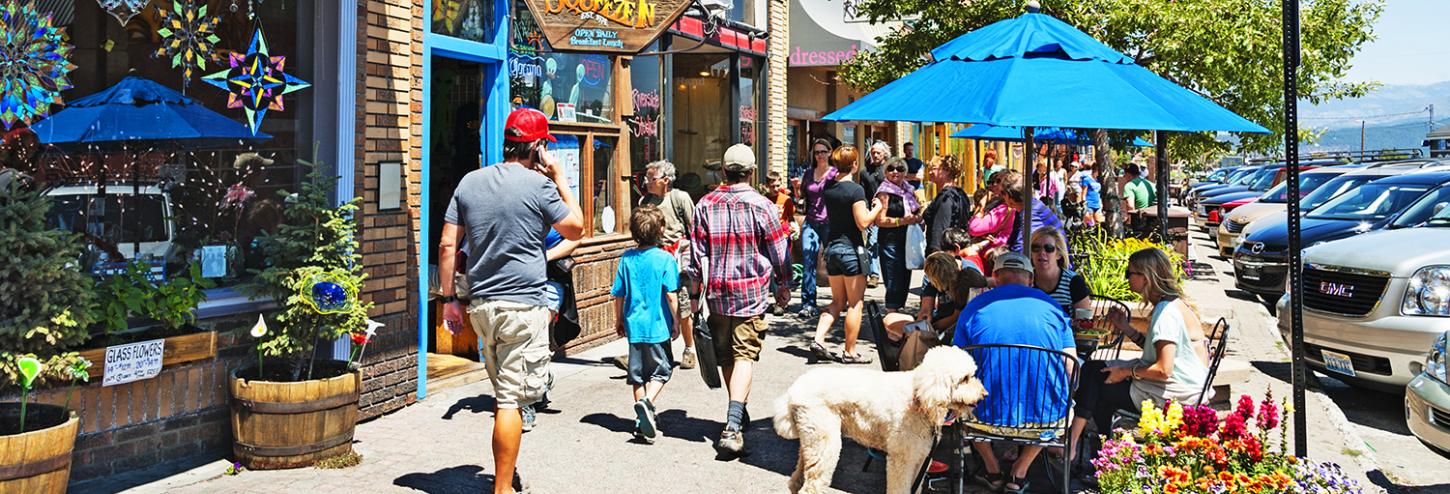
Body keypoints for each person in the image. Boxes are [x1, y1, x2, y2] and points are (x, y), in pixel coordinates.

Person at [438, 108, 584, 494]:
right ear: (536, 147)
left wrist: (449, 299)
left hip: (482, 307)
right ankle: (502, 488)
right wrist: (561, 178)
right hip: (523, 306)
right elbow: (576, 226)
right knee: (509, 402)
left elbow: (447, 244)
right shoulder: (539, 187)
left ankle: (507, 472)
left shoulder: (469, 182)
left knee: (506, 395)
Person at [684, 143, 791, 456]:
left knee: (728, 357)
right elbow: (779, 249)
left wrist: (694, 295)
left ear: (723, 171)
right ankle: (732, 426)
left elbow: (695, 257)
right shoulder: (762, 205)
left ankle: (736, 411)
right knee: (744, 355)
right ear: (752, 172)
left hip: (716, 294)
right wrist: (784, 284)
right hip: (751, 293)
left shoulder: (705, 204)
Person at [1067, 248, 1211, 463]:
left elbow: (1164, 369)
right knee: (1095, 373)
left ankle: (1080, 446)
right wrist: (1126, 328)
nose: (1126, 278)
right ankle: (1101, 453)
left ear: (1146, 277)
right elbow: (1157, 350)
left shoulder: (1165, 313)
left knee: (1095, 380)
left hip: (1175, 394)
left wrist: (1126, 372)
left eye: (1129, 273)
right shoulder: (1172, 303)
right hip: (1183, 386)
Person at [953, 253, 1077, 494]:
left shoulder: (976, 306)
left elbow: (957, 362)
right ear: (1030, 279)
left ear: (996, 278)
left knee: (961, 402)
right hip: (1045, 419)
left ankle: (991, 468)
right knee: (1061, 401)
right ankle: (1019, 472)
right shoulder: (1053, 307)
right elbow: (1070, 367)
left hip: (983, 417)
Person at [810, 145, 885, 364]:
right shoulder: (855, 190)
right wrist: (878, 208)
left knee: (837, 301)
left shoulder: (829, 188)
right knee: (855, 303)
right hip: (851, 250)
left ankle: (818, 338)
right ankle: (850, 351)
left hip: (832, 249)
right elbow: (862, 223)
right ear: (854, 164)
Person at [612, 205, 680, 444]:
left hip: (634, 326)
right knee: (662, 371)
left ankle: (641, 424)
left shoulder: (626, 259)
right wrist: (677, 322)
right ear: (661, 230)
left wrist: (619, 319)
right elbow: (671, 295)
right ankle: (647, 402)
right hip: (658, 326)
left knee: (638, 375)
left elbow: (619, 294)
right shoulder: (666, 259)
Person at [637, 160, 698, 369]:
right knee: (654, 305)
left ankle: (689, 348)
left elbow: (695, 229)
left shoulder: (679, 198)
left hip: (677, 261)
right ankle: (654, 351)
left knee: (681, 306)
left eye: (651, 179)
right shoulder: (646, 201)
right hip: (654, 260)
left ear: (665, 180)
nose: (647, 182)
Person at [796, 138, 838, 319]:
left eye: (823, 151)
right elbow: (802, 197)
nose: (820, 155)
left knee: (834, 261)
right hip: (811, 222)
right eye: (817, 152)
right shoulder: (808, 173)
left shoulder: (834, 174)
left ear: (830, 153)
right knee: (808, 260)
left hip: (829, 221)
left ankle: (839, 299)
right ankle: (808, 304)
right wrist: (795, 188)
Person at [873, 157, 921, 312]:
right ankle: (891, 317)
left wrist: (918, 218)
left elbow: (915, 211)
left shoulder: (908, 190)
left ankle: (898, 314)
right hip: (890, 241)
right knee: (894, 281)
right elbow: (880, 220)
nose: (895, 172)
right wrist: (902, 221)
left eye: (900, 169)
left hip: (906, 240)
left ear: (905, 172)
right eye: (891, 168)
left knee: (904, 279)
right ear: (885, 172)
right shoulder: (884, 192)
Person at [1029, 227, 1090, 315]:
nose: (1042, 252)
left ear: (1059, 254)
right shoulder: (1025, 281)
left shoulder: (1073, 281)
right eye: (1036, 248)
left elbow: (1085, 321)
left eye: (1049, 248)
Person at [765, 169, 798, 316]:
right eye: (773, 186)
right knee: (769, 270)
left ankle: (782, 302)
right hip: (767, 238)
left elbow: (790, 217)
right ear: (767, 186)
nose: (776, 189)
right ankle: (773, 298)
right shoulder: (764, 200)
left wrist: (793, 228)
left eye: (778, 185)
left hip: (782, 237)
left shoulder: (786, 200)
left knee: (782, 271)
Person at [969, 170, 1021, 251]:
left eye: (998, 181)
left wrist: (981, 205)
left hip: (992, 255)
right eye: (993, 181)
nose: (994, 184)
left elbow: (973, 228)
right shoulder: (1000, 204)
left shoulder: (1003, 210)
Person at [862, 141, 890, 288]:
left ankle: (887, 272)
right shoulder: (865, 171)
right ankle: (874, 274)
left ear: (884, 153)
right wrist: (866, 208)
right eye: (873, 152)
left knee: (885, 243)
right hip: (873, 212)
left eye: (878, 152)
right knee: (872, 242)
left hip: (888, 212)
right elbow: (863, 192)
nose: (875, 155)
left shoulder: (890, 170)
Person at [1120, 163, 1157, 233]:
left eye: (1125, 175)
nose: (1124, 177)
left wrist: (1128, 221)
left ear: (1129, 175)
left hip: (1140, 220)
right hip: (1153, 219)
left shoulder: (1129, 186)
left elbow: (1130, 206)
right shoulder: (1150, 184)